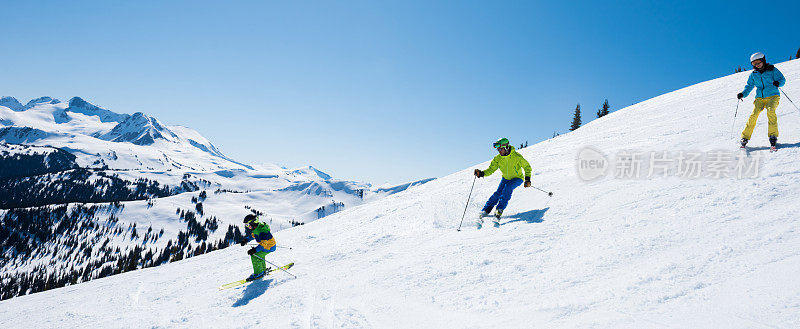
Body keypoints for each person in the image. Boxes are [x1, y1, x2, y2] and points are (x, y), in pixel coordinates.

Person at [473, 138, 532, 228]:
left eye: (500, 149)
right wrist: (482, 173)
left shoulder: (517, 157)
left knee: (507, 188)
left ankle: (499, 210)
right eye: (498, 149)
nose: (499, 151)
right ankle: (486, 210)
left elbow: (527, 167)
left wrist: (527, 179)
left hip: (517, 178)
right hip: (505, 178)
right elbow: (491, 169)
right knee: (497, 193)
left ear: (506, 147)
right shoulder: (498, 158)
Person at [738, 52, 786, 151]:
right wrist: (743, 94)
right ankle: (745, 137)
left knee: (770, 111)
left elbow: (782, 79)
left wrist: (778, 83)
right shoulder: (753, 74)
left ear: (763, 61)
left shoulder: (772, 70)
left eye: (758, 62)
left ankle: (773, 136)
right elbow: (749, 86)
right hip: (759, 98)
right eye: (754, 64)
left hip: (773, 96)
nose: (757, 65)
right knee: (754, 115)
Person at [239, 214, 277, 280]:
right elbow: (253, 235)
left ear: (253, 223)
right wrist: (246, 240)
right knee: (260, 256)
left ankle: (258, 273)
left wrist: (254, 250)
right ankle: (263, 270)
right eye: (246, 225)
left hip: (269, 247)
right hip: (267, 245)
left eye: (247, 225)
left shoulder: (262, 231)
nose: (247, 227)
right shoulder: (257, 228)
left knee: (255, 256)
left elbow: (263, 244)